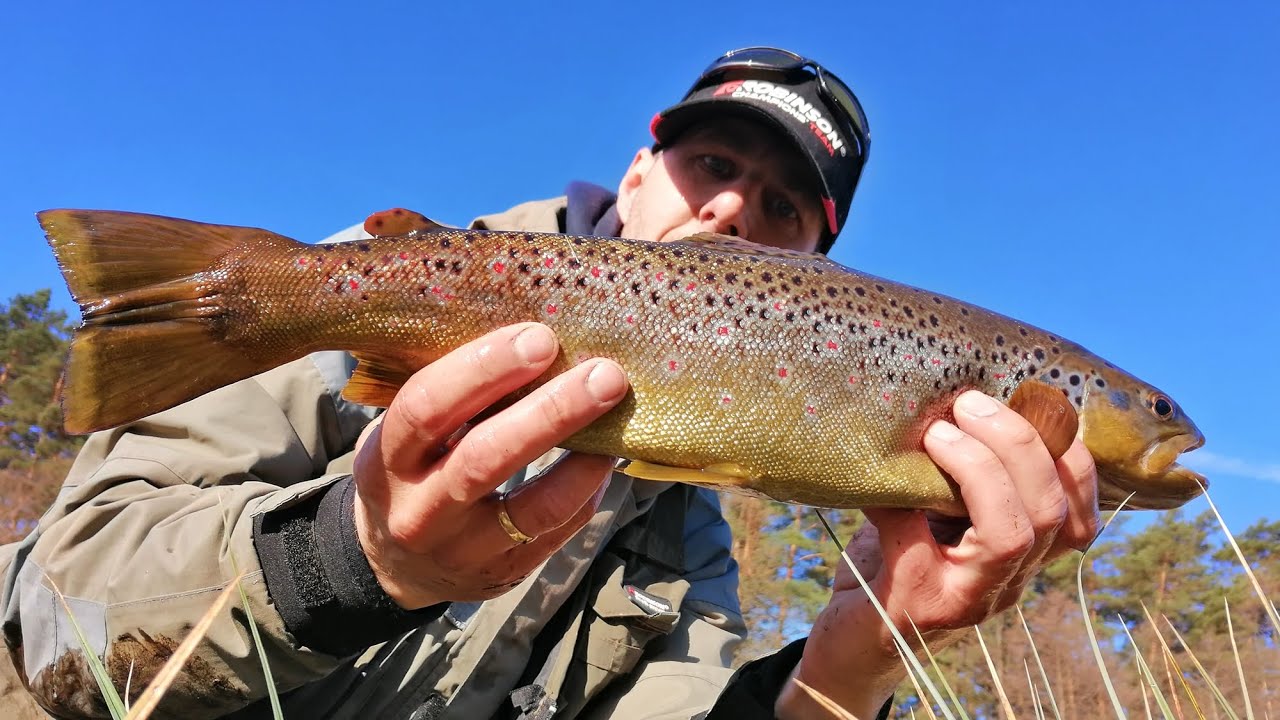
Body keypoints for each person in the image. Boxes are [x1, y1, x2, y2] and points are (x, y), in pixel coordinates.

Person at [0, 47, 1099, 719]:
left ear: (815, 268)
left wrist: (856, 661)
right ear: (635, 170)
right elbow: (54, 608)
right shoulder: (379, 292)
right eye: (713, 166)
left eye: (781, 208)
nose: (730, 212)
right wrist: (354, 557)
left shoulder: (686, 541)